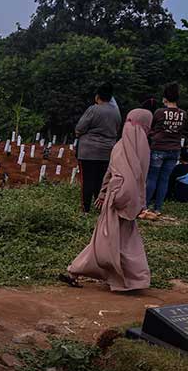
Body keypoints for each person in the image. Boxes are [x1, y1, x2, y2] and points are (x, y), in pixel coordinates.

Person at [59, 109, 153, 292]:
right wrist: (128, 200)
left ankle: (130, 279)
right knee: (115, 242)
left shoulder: (121, 146)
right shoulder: (140, 149)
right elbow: (129, 179)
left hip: (119, 200)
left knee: (113, 241)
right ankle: (131, 279)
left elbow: (111, 174)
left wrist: (104, 194)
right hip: (121, 202)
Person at [142, 82, 188, 218]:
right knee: (164, 179)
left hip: (158, 148)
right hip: (174, 149)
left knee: (152, 178)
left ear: (165, 98)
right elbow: (183, 130)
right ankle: (158, 208)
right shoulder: (183, 114)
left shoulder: (159, 112)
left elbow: (153, 127)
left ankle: (144, 205)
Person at [75, 82, 122, 213]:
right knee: (101, 180)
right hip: (107, 152)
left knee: (87, 180)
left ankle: (85, 209)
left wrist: (80, 134)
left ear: (97, 96)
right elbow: (117, 129)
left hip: (88, 152)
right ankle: (100, 208)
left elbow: (79, 128)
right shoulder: (116, 113)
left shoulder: (93, 109)